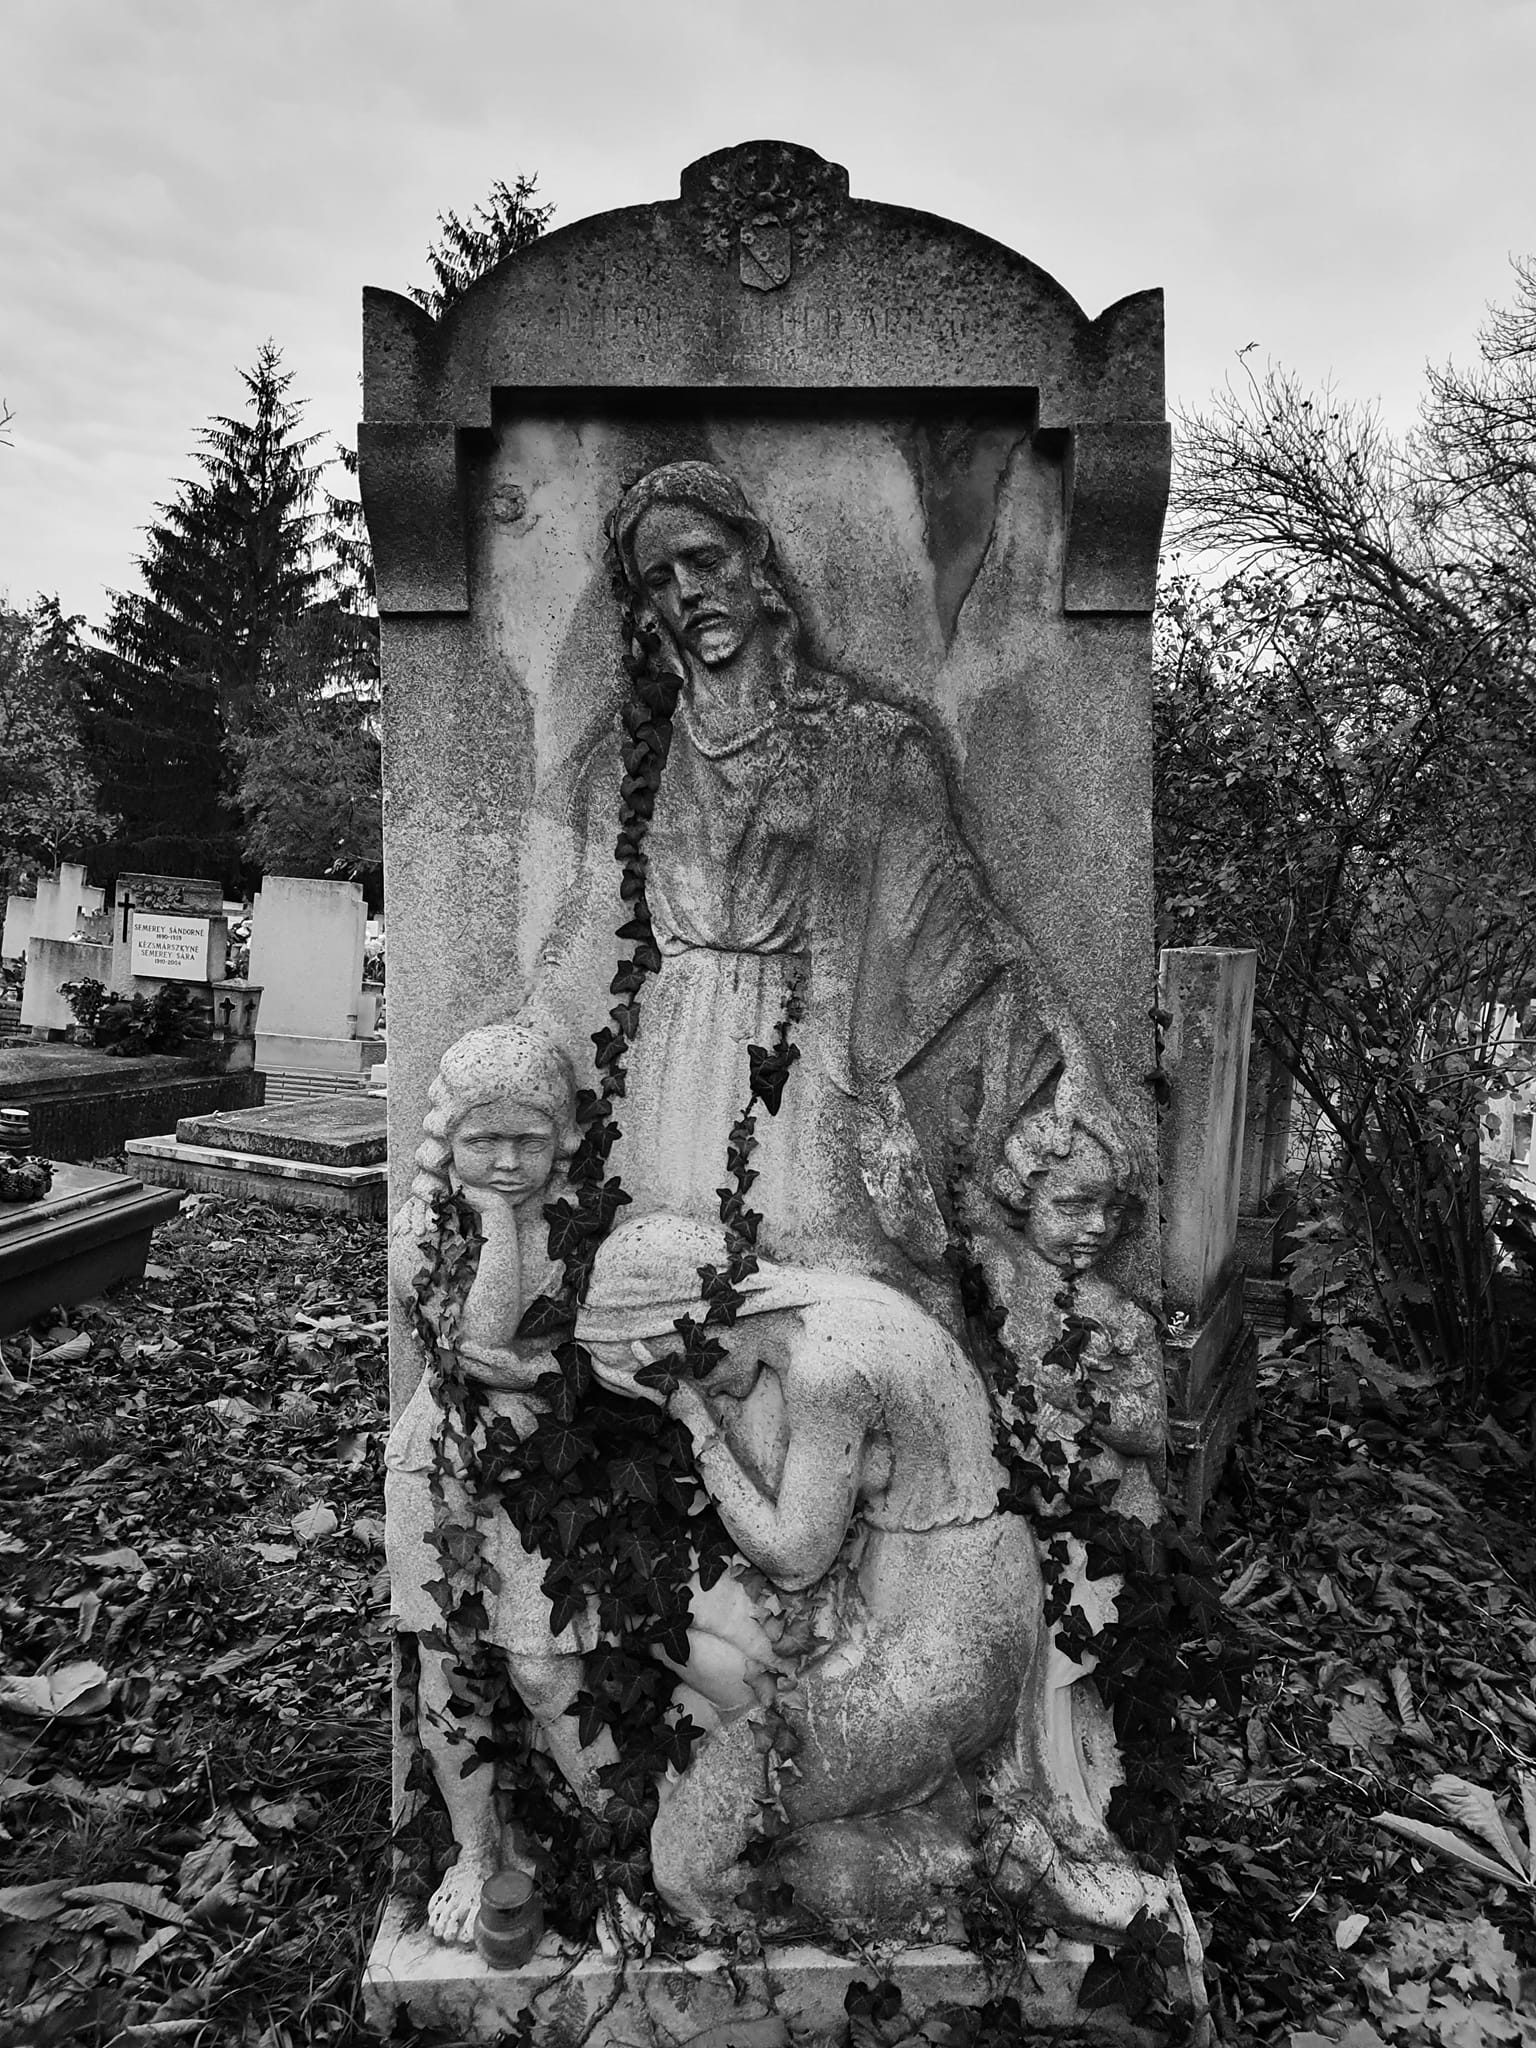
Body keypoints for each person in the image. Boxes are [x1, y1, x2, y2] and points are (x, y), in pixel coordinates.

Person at [532, 461, 1124, 1287]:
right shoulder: (627, 765)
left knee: (825, 1301)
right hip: (666, 1068)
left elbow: (965, 934)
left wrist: (1072, 1063)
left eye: (704, 560)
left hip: (805, 1074)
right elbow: (585, 937)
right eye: (659, 579)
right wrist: (514, 1061)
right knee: (661, 1292)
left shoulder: (869, 747)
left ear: (754, 556)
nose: (688, 592)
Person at [575, 1211, 1043, 1933]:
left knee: (685, 1864)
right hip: (926, 1621)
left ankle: (984, 1861)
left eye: (670, 1371)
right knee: (738, 1765)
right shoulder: (835, 1303)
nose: (710, 1393)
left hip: (942, 1659)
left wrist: (694, 1423)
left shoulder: (829, 1368)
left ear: (692, 1330)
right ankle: (947, 1834)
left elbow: (794, 1559)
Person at [385, 1023, 610, 1945]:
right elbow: (479, 1338)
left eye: (529, 1140)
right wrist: (491, 1220)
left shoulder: (580, 1228)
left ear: (561, 1138)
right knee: (447, 1667)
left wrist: (509, 1361)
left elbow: (569, 1352)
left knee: (546, 1667)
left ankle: (617, 1848)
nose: (509, 1162)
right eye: (485, 1141)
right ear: (449, 1138)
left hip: (537, 1467)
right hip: (437, 1460)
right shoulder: (422, 1228)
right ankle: (476, 1852)